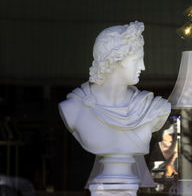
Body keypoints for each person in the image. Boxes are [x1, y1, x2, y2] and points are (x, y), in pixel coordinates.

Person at [59, 21, 171, 186]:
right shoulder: (74, 109)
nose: (143, 67)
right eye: (137, 60)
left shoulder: (152, 107)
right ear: (114, 61)